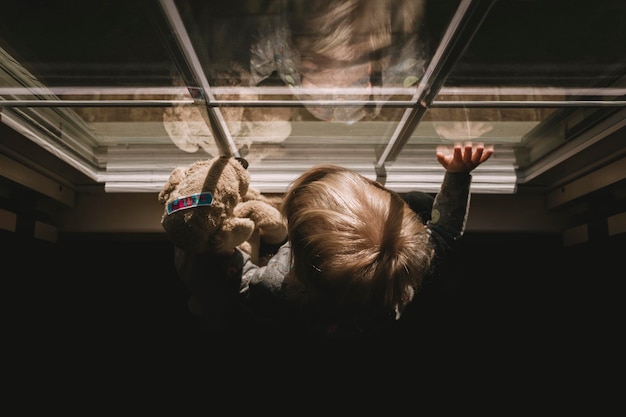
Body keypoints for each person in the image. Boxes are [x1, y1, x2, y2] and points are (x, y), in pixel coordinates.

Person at [176, 143, 494, 340]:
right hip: (371, 322)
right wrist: (460, 174)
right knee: (419, 201)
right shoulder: (411, 265)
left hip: (303, 321)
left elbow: (245, 284)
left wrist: (230, 254)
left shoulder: (277, 287)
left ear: (297, 260)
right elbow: (446, 231)